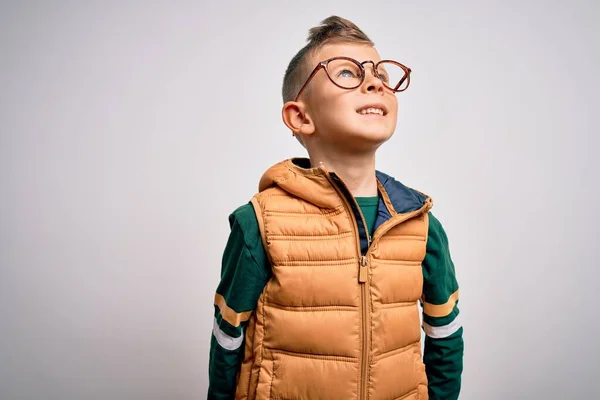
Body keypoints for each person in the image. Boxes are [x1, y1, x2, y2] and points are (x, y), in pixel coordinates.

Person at [208, 15, 463, 400]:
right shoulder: (259, 222)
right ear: (300, 117)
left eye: (379, 73)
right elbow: (227, 342)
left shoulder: (421, 224)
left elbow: (445, 337)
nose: (374, 81)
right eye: (347, 73)